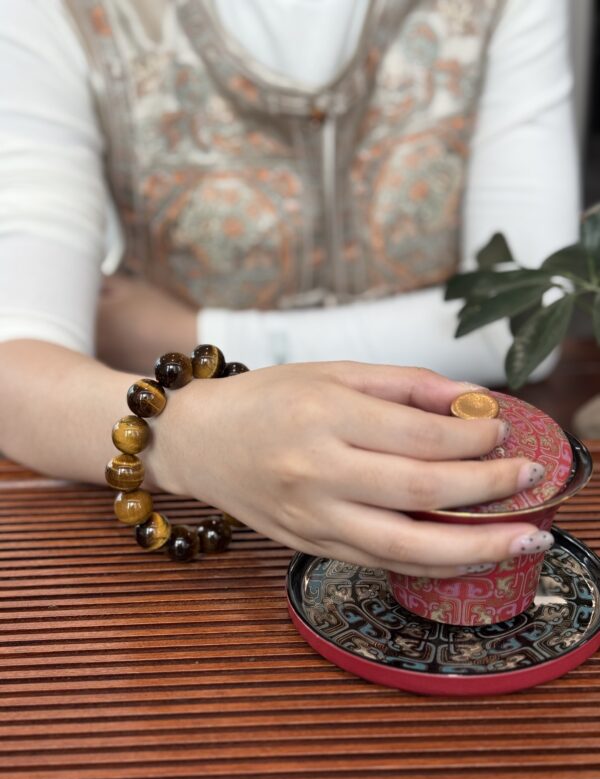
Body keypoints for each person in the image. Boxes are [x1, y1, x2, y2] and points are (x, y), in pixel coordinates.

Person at [0, 0, 579, 576]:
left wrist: (195, 335)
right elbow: (16, 364)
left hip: (457, 488)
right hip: (214, 534)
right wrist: (193, 436)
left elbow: (529, 315)